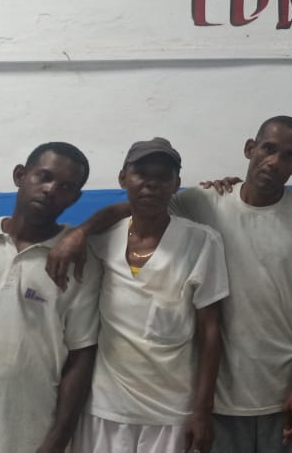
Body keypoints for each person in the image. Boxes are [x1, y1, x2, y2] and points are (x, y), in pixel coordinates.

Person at [47, 117, 292, 452]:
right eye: (268, 149)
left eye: (288, 156)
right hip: (215, 398)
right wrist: (82, 230)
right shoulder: (203, 201)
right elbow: (135, 207)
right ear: (250, 149)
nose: (274, 161)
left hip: (277, 386)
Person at [75, 138, 230, 453]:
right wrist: (81, 231)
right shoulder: (101, 240)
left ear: (176, 185)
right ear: (123, 178)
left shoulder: (202, 242)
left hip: (171, 411)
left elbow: (211, 331)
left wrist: (202, 410)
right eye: (141, 173)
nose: (151, 184)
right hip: (106, 407)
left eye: (162, 176)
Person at [0, 142, 99, 453]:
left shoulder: (80, 263)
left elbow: (82, 354)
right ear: (20, 175)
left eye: (66, 187)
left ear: (75, 198)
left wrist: (59, 438)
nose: (50, 189)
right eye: (44, 176)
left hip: (26, 430)